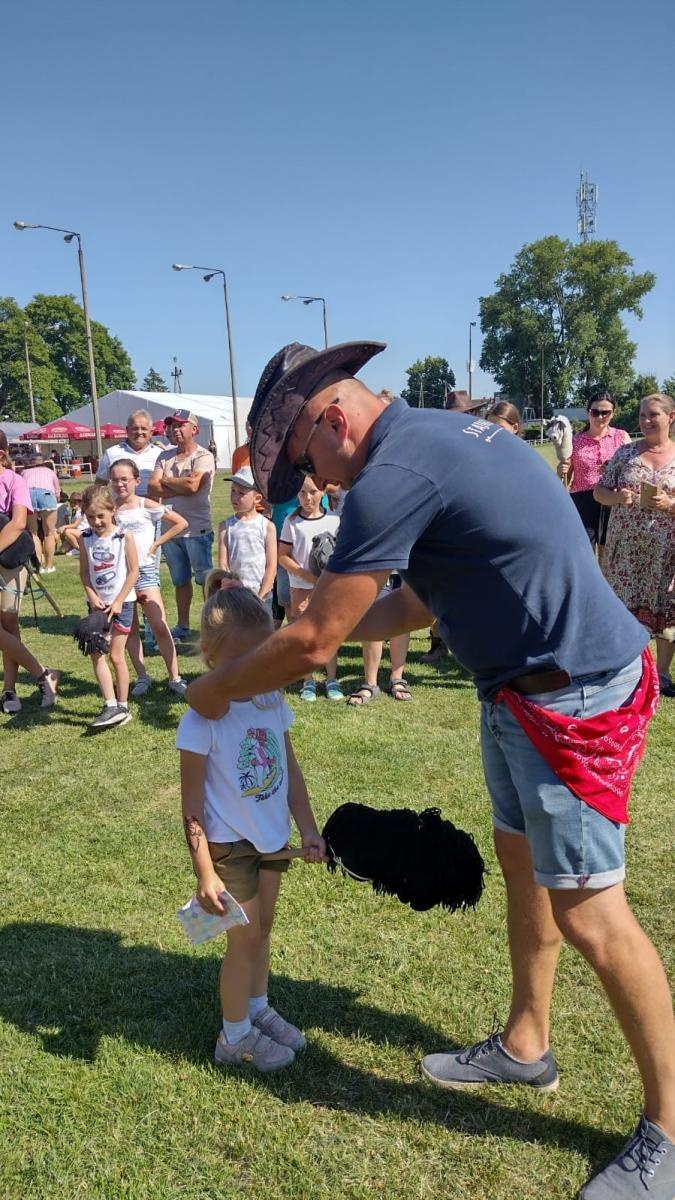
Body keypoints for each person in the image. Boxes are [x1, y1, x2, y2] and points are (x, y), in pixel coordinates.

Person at [187, 341, 675, 1200]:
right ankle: (527, 1044)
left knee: (593, 914)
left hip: (574, 698)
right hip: (521, 692)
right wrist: (318, 623)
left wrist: (215, 688)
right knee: (521, 864)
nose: (317, 482)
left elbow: (313, 645)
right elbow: (420, 599)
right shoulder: (441, 439)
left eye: (306, 460)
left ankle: (669, 1131)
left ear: (334, 418)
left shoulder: (394, 470)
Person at [176, 574, 325, 1072]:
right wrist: (204, 872)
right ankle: (233, 1036)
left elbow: (290, 769)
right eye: (242, 660)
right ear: (213, 657)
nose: (255, 669)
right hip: (230, 847)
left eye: (263, 655)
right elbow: (192, 805)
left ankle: (257, 1009)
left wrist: (307, 826)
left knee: (263, 930)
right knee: (243, 942)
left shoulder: (270, 702)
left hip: (271, 839)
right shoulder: (200, 721)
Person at [595, 393, 675, 697]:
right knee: (622, 611)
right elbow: (599, 492)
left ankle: (662, 674)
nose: (645, 420)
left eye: (653, 414)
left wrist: (670, 503)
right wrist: (617, 498)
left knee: (666, 609)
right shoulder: (625, 453)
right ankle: (626, 673)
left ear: (671, 417)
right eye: (642, 414)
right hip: (625, 552)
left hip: (665, 553)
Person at [109, 459, 189, 700]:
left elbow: (180, 523)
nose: (120, 484)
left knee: (159, 625)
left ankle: (175, 677)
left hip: (144, 572)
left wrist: (156, 544)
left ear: (136, 480)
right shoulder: (111, 510)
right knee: (131, 629)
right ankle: (143, 676)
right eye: (115, 479)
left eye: (124, 479)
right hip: (122, 576)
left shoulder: (146, 505)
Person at [0, 431, 61, 714]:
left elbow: (18, 522)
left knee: (8, 626)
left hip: (9, 560)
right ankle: (42, 674)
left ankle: (10, 690)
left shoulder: (15, 481)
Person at [147, 410, 215, 640]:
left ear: (194, 429)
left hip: (197, 529)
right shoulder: (163, 456)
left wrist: (165, 480)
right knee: (180, 581)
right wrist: (177, 483)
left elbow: (193, 486)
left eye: (179, 425)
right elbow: (152, 488)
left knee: (206, 581)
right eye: (171, 426)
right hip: (170, 530)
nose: (174, 430)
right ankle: (183, 625)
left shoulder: (204, 456)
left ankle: (212, 626)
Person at [78, 484, 139, 730]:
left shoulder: (124, 536)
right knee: (96, 653)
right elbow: (84, 575)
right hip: (97, 606)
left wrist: (118, 600)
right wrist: (92, 597)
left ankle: (123, 706)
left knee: (116, 655)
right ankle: (109, 703)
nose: (96, 521)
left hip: (122, 604)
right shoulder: (85, 539)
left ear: (112, 511)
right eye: (90, 517)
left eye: (100, 516)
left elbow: (134, 572)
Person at [278, 477, 343, 701]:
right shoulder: (292, 521)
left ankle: (331, 678)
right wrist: (304, 574)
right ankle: (308, 680)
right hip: (301, 587)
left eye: (313, 492)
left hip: (328, 587)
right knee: (305, 633)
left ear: (323, 493)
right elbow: (283, 556)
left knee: (329, 631)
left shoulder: (334, 520)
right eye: (303, 493)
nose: (307, 498)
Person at [558, 392, 630, 562]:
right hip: (582, 501)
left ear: (613, 413)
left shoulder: (622, 437)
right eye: (595, 412)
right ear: (588, 412)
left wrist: (614, 471)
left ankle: (606, 588)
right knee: (585, 556)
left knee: (608, 556)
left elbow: (631, 471)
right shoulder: (575, 441)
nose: (600, 416)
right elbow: (565, 479)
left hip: (612, 499)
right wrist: (561, 469)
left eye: (606, 412)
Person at [218, 467, 277, 613]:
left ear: (257, 498)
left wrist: (262, 596)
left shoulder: (267, 526)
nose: (234, 497)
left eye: (241, 493)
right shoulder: (226, 526)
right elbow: (223, 564)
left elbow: (271, 565)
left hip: (261, 594)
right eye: (233, 491)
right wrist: (229, 586)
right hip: (235, 594)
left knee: (262, 633)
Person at [96, 410, 163, 497]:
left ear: (151, 432)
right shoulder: (111, 453)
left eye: (144, 429)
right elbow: (99, 485)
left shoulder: (160, 454)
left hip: (152, 507)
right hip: (121, 508)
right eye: (135, 428)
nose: (139, 432)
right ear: (127, 430)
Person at [22, 454, 60, 572]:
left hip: (28, 494)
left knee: (33, 532)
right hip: (47, 494)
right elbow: (57, 491)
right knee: (49, 532)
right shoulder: (50, 472)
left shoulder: (24, 473)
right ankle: (49, 566)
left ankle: (38, 566)